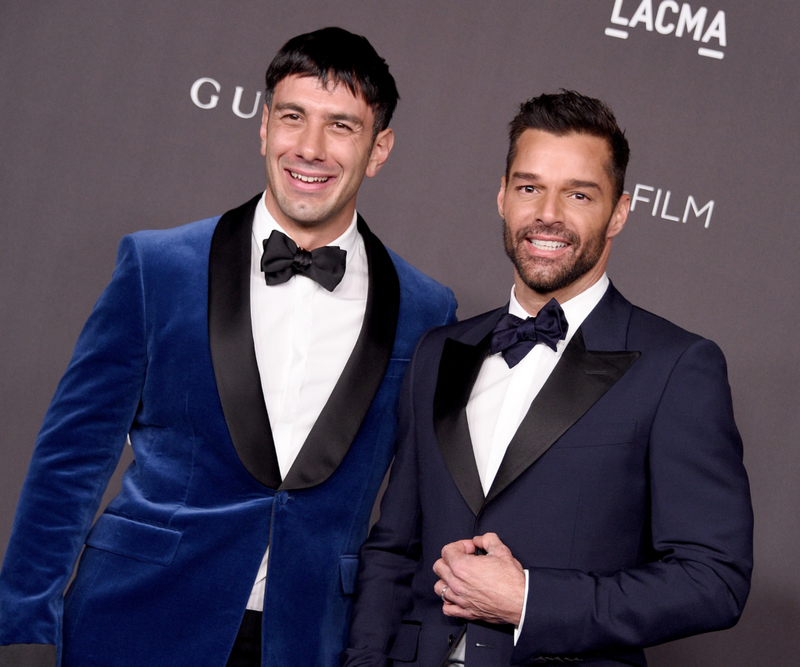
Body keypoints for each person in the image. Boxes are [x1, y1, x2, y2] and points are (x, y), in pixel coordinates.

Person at [0, 27, 457, 667]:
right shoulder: (157, 266)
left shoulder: (427, 308)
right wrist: (24, 622)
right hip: (134, 618)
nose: (311, 147)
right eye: (293, 117)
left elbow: (413, 509)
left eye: (342, 127)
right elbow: (72, 456)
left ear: (379, 149)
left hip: (307, 639)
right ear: (264, 125)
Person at [343, 90, 752, 667]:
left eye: (578, 194)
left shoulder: (677, 367)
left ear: (619, 213)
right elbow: (393, 547)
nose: (548, 214)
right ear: (503, 197)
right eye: (530, 187)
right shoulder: (440, 351)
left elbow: (715, 580)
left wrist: (530, 600)